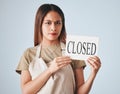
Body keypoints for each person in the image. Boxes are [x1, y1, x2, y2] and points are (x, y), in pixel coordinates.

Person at [16, 3, 101, 94]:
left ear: (62, 25)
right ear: (39, 24)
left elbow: (80, 92)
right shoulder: (29, 54)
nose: (53, 28)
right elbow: (26, 91)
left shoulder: (73, 51)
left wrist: (93, 73)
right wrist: (50, 70)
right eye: (48, 23)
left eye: (58, 23)